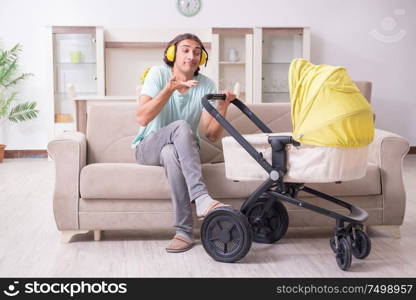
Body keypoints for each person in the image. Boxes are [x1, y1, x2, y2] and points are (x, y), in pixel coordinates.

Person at [132, 33, 236, 253]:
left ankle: (183, 233)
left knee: (171, 152)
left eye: (197, 52)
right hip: (148, 146)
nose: (192, 56)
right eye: (186, 50)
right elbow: (141, 118)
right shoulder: (158, 74)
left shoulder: (206, 84)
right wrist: (169, 89)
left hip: (179, 151)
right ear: (172, 54)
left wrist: (223, 106)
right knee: (180, 126)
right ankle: (201, 197)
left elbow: (211, 135)